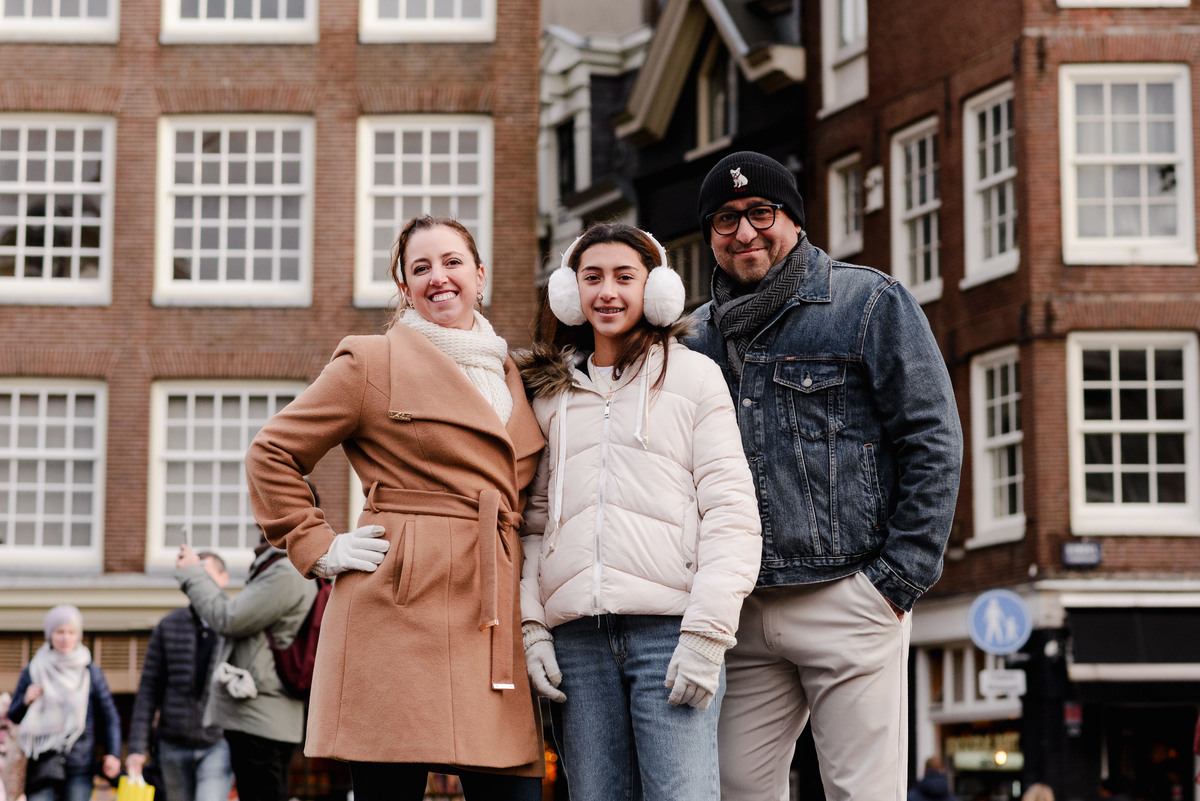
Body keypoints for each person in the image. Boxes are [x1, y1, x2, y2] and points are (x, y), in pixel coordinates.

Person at [685, 151, 963, 801]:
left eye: (761, 212)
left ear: (794, 219)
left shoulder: (869, 303)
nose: (744, 232)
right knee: (732, 792)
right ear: (710, 235)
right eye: (725, 219)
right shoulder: (692, 338)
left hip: (851, 595)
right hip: (739, 612)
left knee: (861, 794)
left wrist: (895, 582)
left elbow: (933, 441)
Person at [244, 215, 547, 801]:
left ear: (480, 276)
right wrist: (317, 545)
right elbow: (271, 453)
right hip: (397, 610)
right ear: (404, 287)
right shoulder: (371, 362)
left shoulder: (517, 375)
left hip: (492, 610)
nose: (440, 277)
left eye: (453, 262)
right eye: (421, 268)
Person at [516, 222, 762, 801]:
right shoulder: (548, 397)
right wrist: (532, 627)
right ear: (569, 291)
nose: (607, 292)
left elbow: (731, 512)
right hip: (577, 643)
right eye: (592, 277)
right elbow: (531, 525)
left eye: (624, 277)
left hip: (670, 637)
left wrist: (707, 634)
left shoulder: (695, 378)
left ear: (655, 290)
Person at [175, 536, 315, 801]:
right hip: (267, 714)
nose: (258, 522)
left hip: (260, 716)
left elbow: (229, 618)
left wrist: (194, 573)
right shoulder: (290, 566)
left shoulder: (286, 571)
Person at [127, 552, 234, 801]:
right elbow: (148, 689)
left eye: (207, 575)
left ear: (224, 579)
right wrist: (136, 748)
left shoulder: (234, 624)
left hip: (218, 743)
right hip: (173, 744)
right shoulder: (169, 625)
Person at [7, 605, 122, 801]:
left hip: (80, 764)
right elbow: (14, 716)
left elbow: (110, 717)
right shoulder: (34, 670)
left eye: (71, 632)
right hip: (41, 762)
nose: (65, 638)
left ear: (78, 635)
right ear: (50, 635)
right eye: (60, 632)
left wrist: (113, 753)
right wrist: (25, 700)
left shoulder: (90, 673)